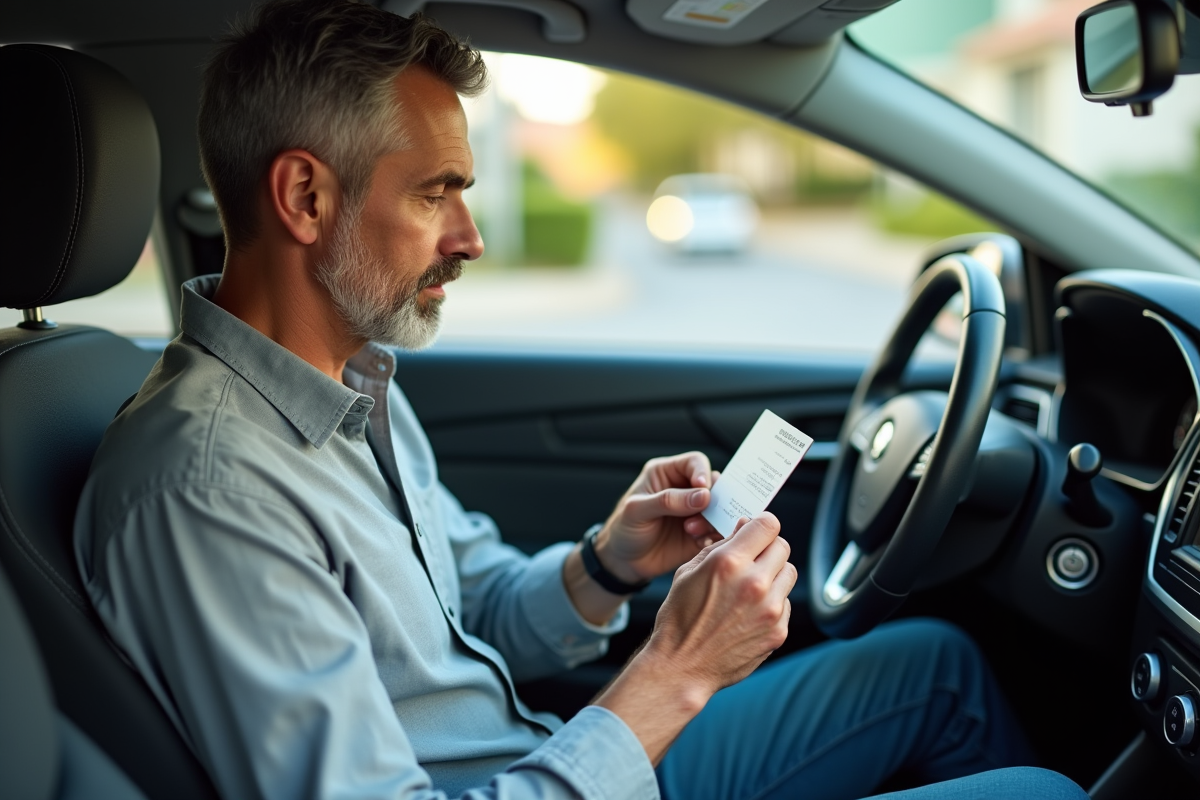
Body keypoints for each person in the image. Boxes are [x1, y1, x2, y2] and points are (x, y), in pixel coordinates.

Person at [73, 2, 1087, 799]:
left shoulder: (352, 379)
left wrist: (607, 562)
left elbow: (471, 614)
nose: (469, 237)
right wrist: (679, 668)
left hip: (555, 757)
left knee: (934, 664)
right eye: (437, 192)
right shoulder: (205, 485)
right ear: (305, 197)